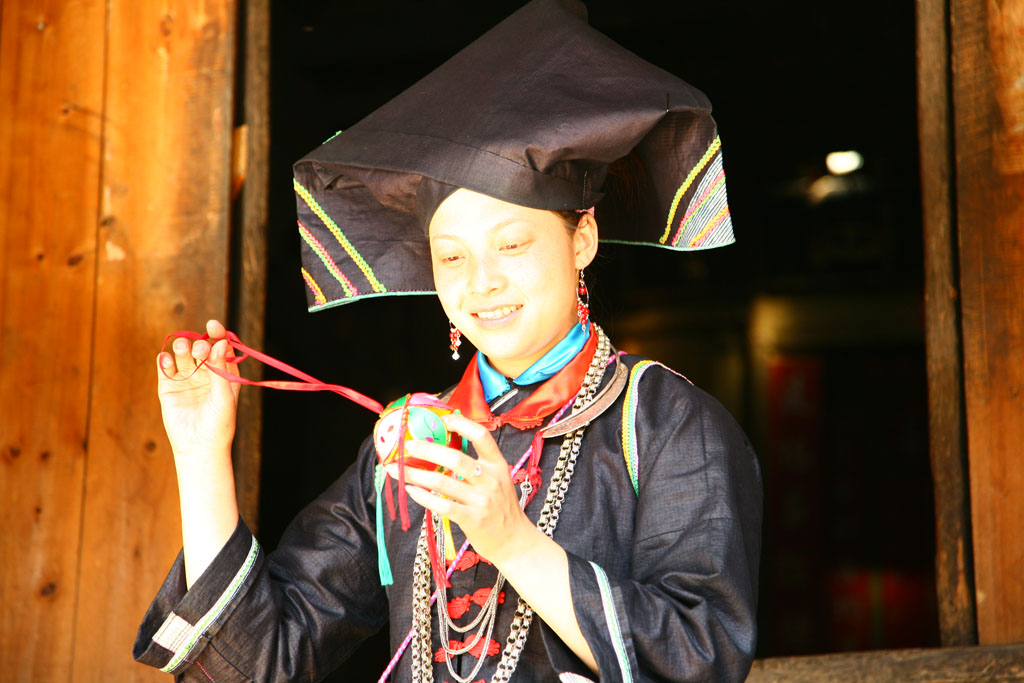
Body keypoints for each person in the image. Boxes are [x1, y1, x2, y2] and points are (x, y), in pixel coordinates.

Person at [133, 1, 762, 681]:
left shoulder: (669, 425)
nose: (483, 283)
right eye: (453, 257)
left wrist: (512, 540)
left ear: (582, 239)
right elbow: (256, 662)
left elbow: (707, 655)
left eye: (513, 244)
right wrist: (199, 455)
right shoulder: (410, 450)